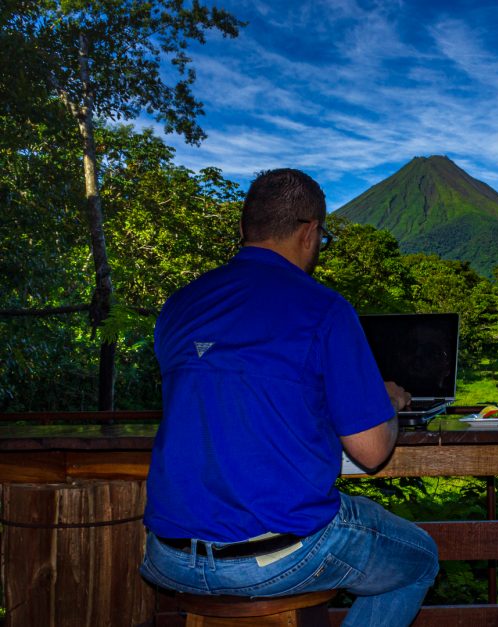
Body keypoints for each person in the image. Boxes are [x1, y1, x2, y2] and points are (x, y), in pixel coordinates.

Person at [140, 168, 438, 626]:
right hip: (271, 557)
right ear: (311, 233)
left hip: (169, 556)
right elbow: (373, 452)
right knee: (418, 559)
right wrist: (387, 403)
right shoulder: (323, 308)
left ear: (243, 230)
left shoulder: (179, 306)